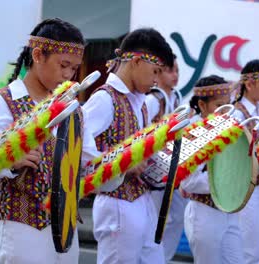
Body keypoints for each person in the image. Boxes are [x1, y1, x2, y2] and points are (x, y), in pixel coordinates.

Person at [0, 18, 86, 264]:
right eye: (63, 65)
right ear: (38, 55)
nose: (68, 75)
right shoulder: (0, 104)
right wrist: (7, 162)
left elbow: (84, 159)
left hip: (66, 231)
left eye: (74, 69)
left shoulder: (72, 109)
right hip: (22, 231)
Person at [83, 28, 174, 264]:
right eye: (155, 71)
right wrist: (121, 165)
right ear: (135, 60)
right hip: (116, 203)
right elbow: (77, 145)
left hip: (141, 200)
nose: (156, 79)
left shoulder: (141, 102)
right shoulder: (105, 98)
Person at [182, 75, 244, 264]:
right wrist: (226, 181)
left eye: (228, 105)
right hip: (204, 213)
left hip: (229, 211)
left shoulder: (229, 128)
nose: (225, 111)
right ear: (202, 105)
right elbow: (188, 182)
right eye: (219, 105)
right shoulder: (194, 132)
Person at [145, 57, 187, 262]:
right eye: (171, 70)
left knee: (177, 217)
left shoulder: (177, 98)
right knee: (153, 221)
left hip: (173, 169)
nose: (175, 75)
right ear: (159, 73)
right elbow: (142, 133)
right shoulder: (153, 100)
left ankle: (163, 257)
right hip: (152, 172)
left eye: (177, 70)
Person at [233, 59, 259, 264]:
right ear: (249, 85)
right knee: (249, 251)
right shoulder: (238, 113)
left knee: (255, 249)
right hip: (247, 187)